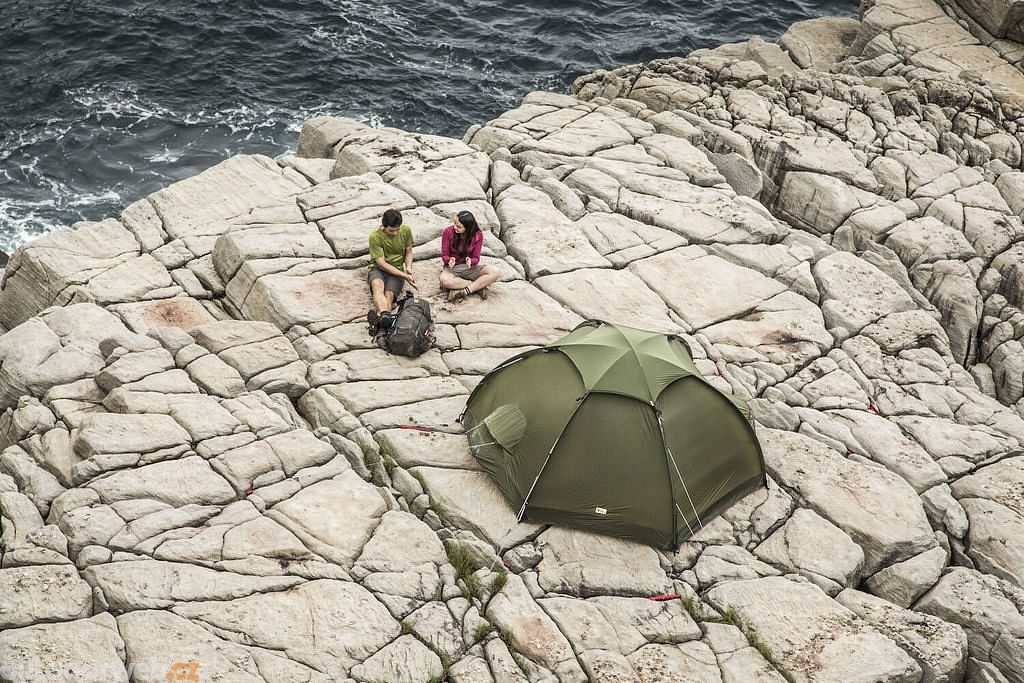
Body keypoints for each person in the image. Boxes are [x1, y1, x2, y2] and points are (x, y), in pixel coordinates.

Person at [367, 208, 415, 335]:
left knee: (389, 294)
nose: (395, 233)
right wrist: (404, 276)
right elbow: (381, 263)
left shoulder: (406, 230)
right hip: (378, 268)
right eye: (391, 231)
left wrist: (408, 268)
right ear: (383, 226)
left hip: (397, 270)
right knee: (377, 285)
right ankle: (385, 318)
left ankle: (380, 321)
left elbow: (409, 251)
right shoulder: (375, 236)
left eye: (397, 230)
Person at [439, 210, 500, 301]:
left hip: (469, 268)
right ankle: (477, 286)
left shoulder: (478, 235)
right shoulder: (447, 232)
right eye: (455, 224)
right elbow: (444, 255)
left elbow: (476, 258)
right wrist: (449, 260)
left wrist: (471, 261)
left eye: (459, 226)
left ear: (468, 228)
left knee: (495, 272)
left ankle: (466, 290)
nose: (455, 227)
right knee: (445, 280)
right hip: (452, 268)